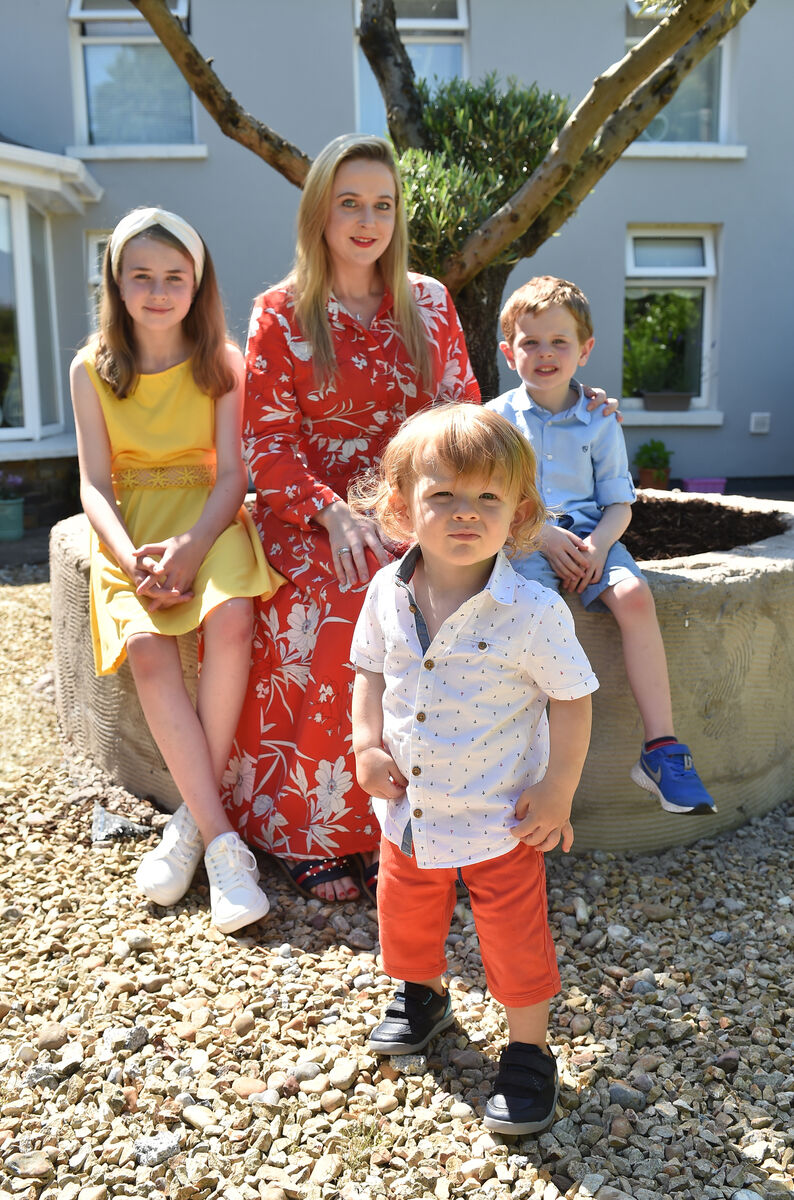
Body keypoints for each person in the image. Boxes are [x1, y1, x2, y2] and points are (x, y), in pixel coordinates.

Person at [224, 133, 616, 904]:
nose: (367, 220)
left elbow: (463, 419)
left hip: (420, 496)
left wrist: (561, 431)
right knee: (342, 602)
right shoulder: (280, 311)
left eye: (383, 204)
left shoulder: (428, 301)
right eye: (349, 204)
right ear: (320, 214)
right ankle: (323, 829)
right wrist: (332, 513)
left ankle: (442, 823)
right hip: (313, 507)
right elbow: (265, 443)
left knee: (466, 600)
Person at [348, 403, 597, 1135]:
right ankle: (422, 995)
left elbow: (574, 699)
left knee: (515, 935)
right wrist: (366, 746)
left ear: (517, 513)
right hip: (411, 810)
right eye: (444, 496)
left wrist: (559, 789)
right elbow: (368, 671)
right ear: (401, 507)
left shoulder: (531, 612)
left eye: (488, 498)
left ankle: (528, 1050)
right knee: (407, 915)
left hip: (502, 816)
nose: (466, 514)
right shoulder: (387, 593)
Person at [70, 206, 283, 933]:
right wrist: (130, 557)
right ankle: (224, 842)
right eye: (142, 277)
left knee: (232, 617)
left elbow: (233, 478)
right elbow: (94, 483)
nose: (158, 292)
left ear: (198, 285)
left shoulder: (223, 362)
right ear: (117, 283)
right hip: (130, 528)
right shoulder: (91, 369)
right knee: (149, 655)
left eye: (174, 278)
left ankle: (192, 829)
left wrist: (193, 548)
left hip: (209, 519)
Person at [490, 275, 716, 814]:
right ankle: (518, 764)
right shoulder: (495, 420)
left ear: (585, 350)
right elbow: (489, 501)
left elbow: (620, 503)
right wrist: (538, 535)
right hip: (525, 538)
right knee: (530, 613)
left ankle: (662, 749)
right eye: (531, 342)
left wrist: (594, 548)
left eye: (560, 342)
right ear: (508, 351)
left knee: (634, 593)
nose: (545, 353)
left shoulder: (600, 418)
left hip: (595, 535)